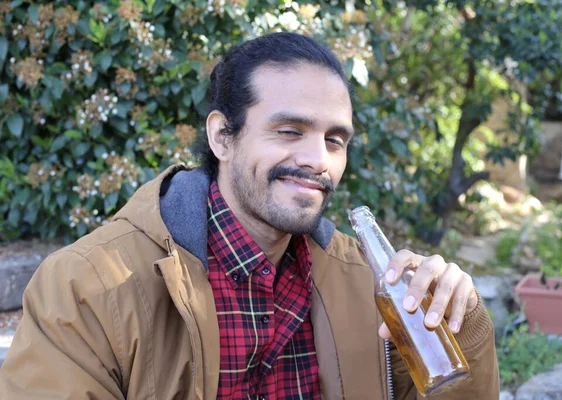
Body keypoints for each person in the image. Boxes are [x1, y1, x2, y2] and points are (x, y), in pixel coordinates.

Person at [0, 32, 499, 399]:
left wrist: (463, 323)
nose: (318, 160)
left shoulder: (368, 284)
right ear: (222, 137)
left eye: (335, 140)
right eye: (289, 131)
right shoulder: (86, 287)